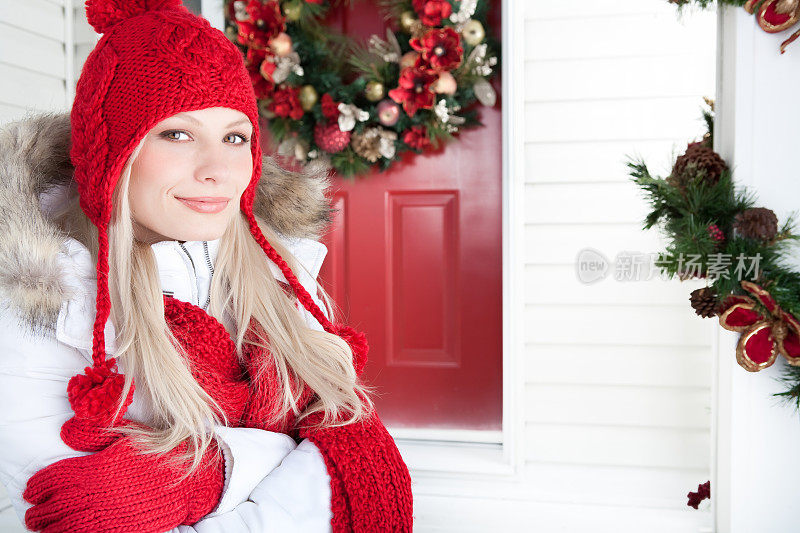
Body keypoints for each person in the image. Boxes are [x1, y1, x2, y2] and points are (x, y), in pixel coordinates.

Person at [0, 0, 413, 531]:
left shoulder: (272, 267)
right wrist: (285, 449)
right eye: (177, 134)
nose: (219, 170)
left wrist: (207, 472)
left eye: (235, 137)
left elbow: (346, 422)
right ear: (114, 154)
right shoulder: (39, 299)